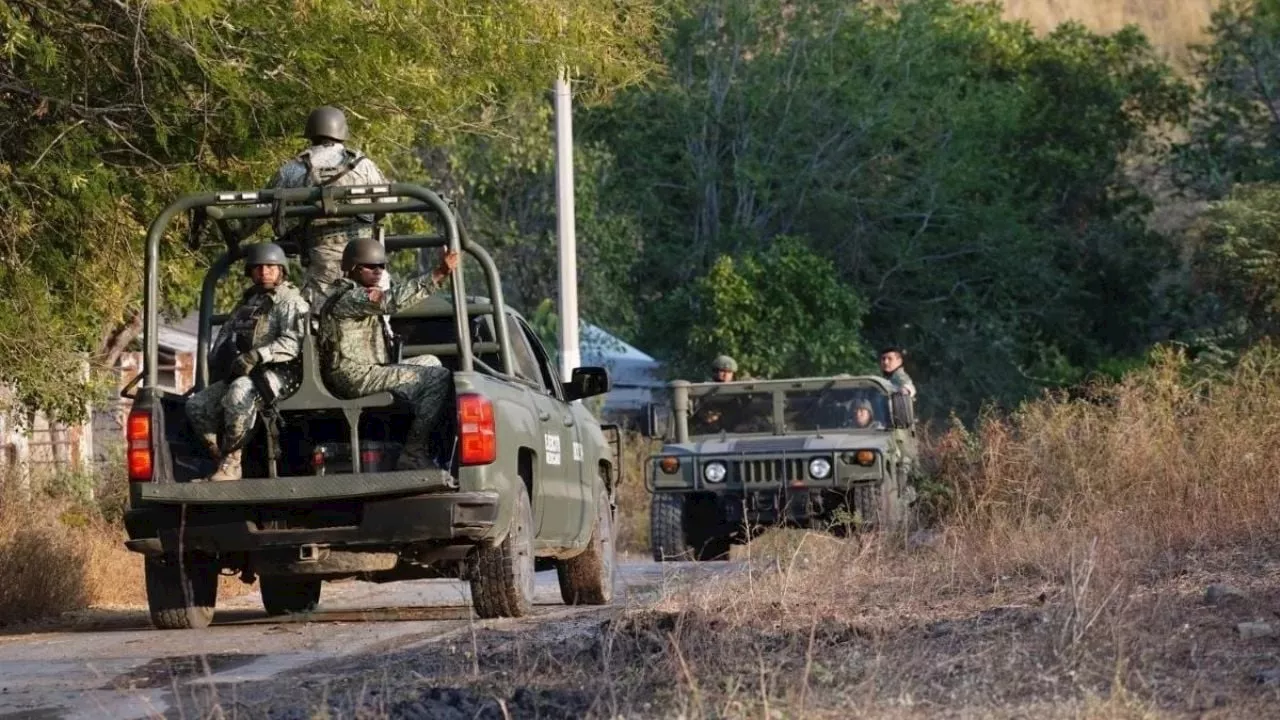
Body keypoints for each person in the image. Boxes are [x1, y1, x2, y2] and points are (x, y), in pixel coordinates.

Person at [317, 237, 460, 471]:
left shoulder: (358, 294)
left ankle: (415, 437)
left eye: (381, 266)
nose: (378, 271)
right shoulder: (351, 297)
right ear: (352, 268)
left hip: (369, 369)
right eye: (370, 266)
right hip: (354, 375)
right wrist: (439, 273)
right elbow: (390, 302)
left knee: (431, 363)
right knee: (439, 378)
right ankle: (413, 452)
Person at [239, 106, 394, 303]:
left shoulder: (292, 170)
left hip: (321, 261)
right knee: (379, 309)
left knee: (317, 318)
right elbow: (387, 203)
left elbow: (259, 211)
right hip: (367, 263)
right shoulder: (363, 165)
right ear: (342, 132)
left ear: (310, 133)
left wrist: (236, 235)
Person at [186, 242, 309, 481]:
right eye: (258, 267)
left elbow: (293, 343)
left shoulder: (290, 301)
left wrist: (258, 355)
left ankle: (232, 465)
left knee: (238, 394)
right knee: (197, 406)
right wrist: (224, 360)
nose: (264, 272)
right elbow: (224, 337)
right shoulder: (247, 302)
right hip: (244, 372)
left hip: (280, 373)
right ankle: (222, 457)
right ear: (250, 272)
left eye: (270, 267)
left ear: (281, 270)